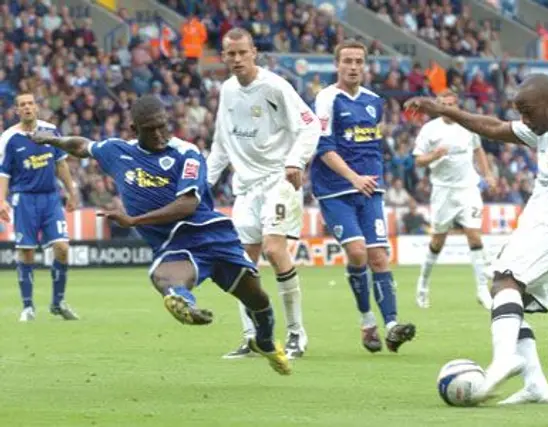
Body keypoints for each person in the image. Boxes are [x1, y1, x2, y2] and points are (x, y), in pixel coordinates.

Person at [405, 74, 548, 404]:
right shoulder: (543, 126)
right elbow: (494, 128)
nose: (525, 120)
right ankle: (535, 384)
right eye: (522, 114)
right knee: (507, 297)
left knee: (506, 283)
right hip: (538, 223)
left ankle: (504, 360)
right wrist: (441, 110)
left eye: (529, 112)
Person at [31, 94, 291, 376]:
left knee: (257, 299)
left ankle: (264, 341)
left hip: (211, 234)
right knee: (164, 277)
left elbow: (188, 204)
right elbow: (82, 146)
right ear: (134, 130)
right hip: (174, 244)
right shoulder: (118, 152)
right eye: (149, 129)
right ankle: (182, 301)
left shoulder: (186, 153)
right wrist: (53, 140)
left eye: (162, 126)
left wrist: (134, 220)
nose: (158, 134)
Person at [207, 28, 320, 360]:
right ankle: (253, 338)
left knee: (274, 249)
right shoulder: (227, 91)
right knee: (242, 264)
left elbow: (310, 124)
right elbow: (221, 144)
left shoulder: (274, 86)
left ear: (254, 52)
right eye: (231, 54)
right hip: (246, 188)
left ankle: (297, 335)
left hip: (278, 181)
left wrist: (295, 161)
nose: (237, 59)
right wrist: (202, 184)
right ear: (224, 56)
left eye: (243, 52)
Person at [310, 40, 416, 354]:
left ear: (365, 65)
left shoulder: (374, 102)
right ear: (337, 65)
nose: (353, 66)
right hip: (336, 189)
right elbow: (324, 148)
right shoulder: (327, 98)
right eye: (347, 61)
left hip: (371, 189)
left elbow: (370, 144)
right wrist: (353, 177)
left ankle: (393, 326)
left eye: (359, 61)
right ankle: (367, 320)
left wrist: (376, 176)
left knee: (379, 256)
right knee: (357, 253)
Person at [412, 89, 495, 310]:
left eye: (451, 104)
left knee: (474, 236)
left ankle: (481, 289)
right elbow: (419, 160)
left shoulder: (467, 124)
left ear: (456, 105)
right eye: (444, 104)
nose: (448, 108)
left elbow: (478, 150)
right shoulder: (429, 130)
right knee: (438, 241)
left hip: (468, 188)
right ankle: (423, 284)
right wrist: (434, 156)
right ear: (438, 105)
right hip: (443, 191)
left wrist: (487, 174)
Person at [0, 92, 79, 322]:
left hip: (51, 198)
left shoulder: (50, 131)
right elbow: (3, 173)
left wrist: (72, 193)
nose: (27, 108)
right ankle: (28, 307)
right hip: (24, 199)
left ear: (37, 107)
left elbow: (61, 164)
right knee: (26, 251)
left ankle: (58, 302)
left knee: (62, 248)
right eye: (22, 105)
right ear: (16, 110)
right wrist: (1, 200)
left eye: (30, 103)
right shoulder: (9, 138)